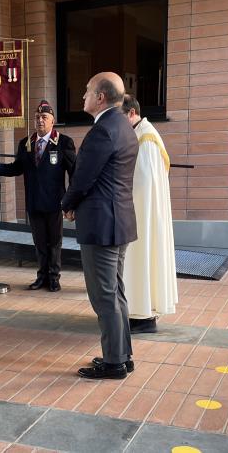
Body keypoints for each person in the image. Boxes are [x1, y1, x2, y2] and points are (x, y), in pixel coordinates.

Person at [61, 72, 138, 380]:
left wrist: (67, 204)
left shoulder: (103, 130)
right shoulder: (123, 125)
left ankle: (114, 363)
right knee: (115, 293)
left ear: (101, 97)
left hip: (102, 224)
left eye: (87, 91)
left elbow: (83, 177)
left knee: (104, 296)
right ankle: (122, 355)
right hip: (118, 222)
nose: (83, 96)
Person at [0, 100, 76, 292]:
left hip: (54, 202)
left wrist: (70, 202)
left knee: (54, 243)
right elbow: (18, 168)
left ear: (53, 121)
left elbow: (74, 173)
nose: (40, 121)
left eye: (44, 117)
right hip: (34, 202)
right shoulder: (27, 143)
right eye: (37, 118)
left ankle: (53, 278)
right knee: (40, 243)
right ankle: (41, 276)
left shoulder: (64, 142)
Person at [121, 94, 178, 334]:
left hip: (141, 215)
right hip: (139, 213)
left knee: (142, 260)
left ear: (131, 113)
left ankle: (143, 316)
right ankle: (138, 312)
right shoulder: (140, 134)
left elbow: (142, 184)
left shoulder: (145, 138)